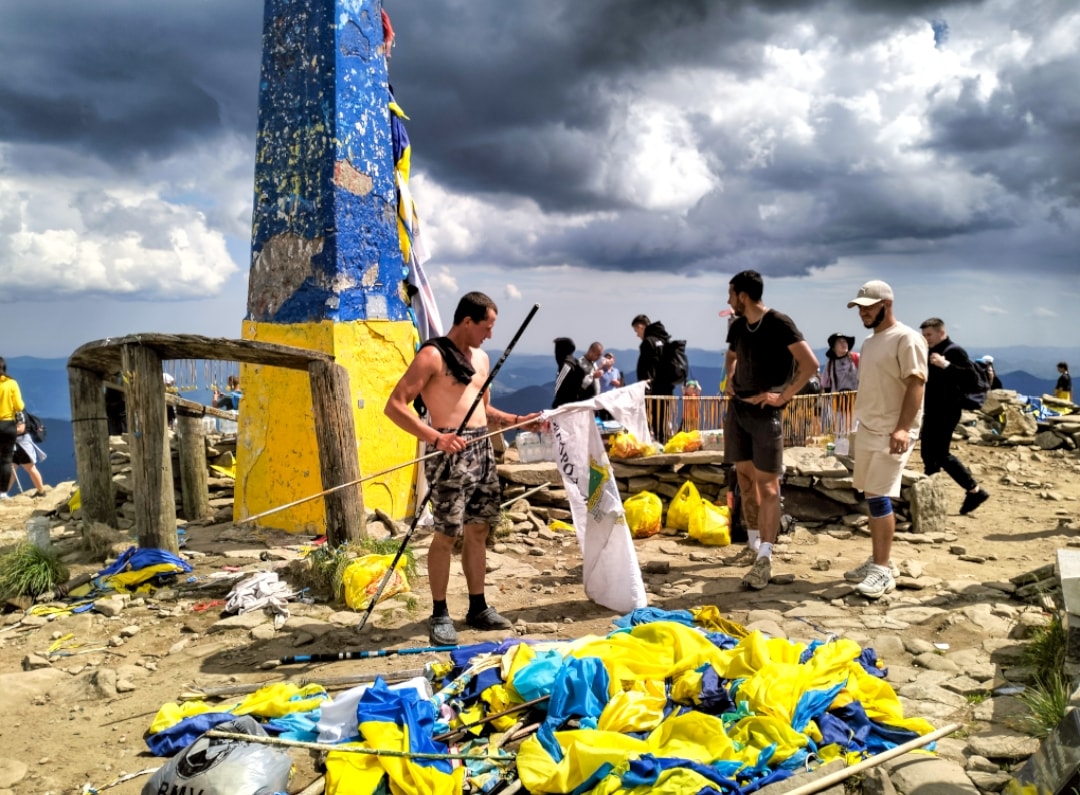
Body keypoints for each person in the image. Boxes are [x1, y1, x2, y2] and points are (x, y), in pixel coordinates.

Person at [385, 292, 542, 645]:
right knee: (446, 534)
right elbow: (395, 405)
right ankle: (439, 612)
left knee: (479, 529)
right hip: (448, 451)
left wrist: (518, 420)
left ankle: (478, 606)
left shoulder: (482, 359)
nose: (490, 335)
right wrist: (436, 438)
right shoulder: (432, 356)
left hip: (482, 449)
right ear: (467, 321)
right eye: (486, 327)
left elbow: (483, 409)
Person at [720, 270, 819, 590]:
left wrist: (783, 396)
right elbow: (731, 356)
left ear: (743, 296)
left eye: (731, 294)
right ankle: (752, 545)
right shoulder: (738, 327)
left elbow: (811, 364)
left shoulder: (779, 323)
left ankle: (765, 555)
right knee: (744, 478)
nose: (728, 300)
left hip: (765, 414)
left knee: (769, 487)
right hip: (739, 410)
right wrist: (729, 378)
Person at [844, 281, 928, 599]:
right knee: (871, 494)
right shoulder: (870, 342)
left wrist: (903, 428)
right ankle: (881, 559)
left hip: (893, 431)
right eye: (860, 307)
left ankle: (881, 569)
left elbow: (916, 384)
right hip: (870, 427)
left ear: (886, 304)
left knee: (879, 496)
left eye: (869, 306)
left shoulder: (907, 338)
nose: (863, 312)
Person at [919, 318, 991, 516]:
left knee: (940, 454)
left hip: (948, 410)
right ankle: (931, 498)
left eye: (929, 335)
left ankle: (974, 490)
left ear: (941, 333)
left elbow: (971, 378)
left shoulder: (954, 351)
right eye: (924, 335)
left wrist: (946, 365)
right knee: (928, 454)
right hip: (933, 409)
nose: (926, 338)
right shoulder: (930, 351)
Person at [631, 314, 676, 440]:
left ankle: (659, 443)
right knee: (664, 418)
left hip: (653, 388)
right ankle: (665, 441)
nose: (637, 335)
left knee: (654, 419)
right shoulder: (663, 339)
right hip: (667, 386)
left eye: (636, 331)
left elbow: (646, 367)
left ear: (641, 327)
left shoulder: (648, 342)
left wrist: (645, 385)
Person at [0, 357, 26, 501]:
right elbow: (19, 406)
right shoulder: (11, 383)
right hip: (7, 425)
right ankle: (2, 493)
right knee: (5, 460)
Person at [552, 337, 592, 408]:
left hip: (566, 407)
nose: (555, 353)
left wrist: (556, 405)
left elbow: (559, 390)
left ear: (561, 351)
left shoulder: (565, 366)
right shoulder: (577, 363)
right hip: (578, 404)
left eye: (556, 350)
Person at [9, 430, 47, 498]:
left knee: (30, 468)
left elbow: (21, 429)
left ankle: (41, 492)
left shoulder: (18, 422)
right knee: (10, 470)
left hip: (22, 446)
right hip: (14, 445)